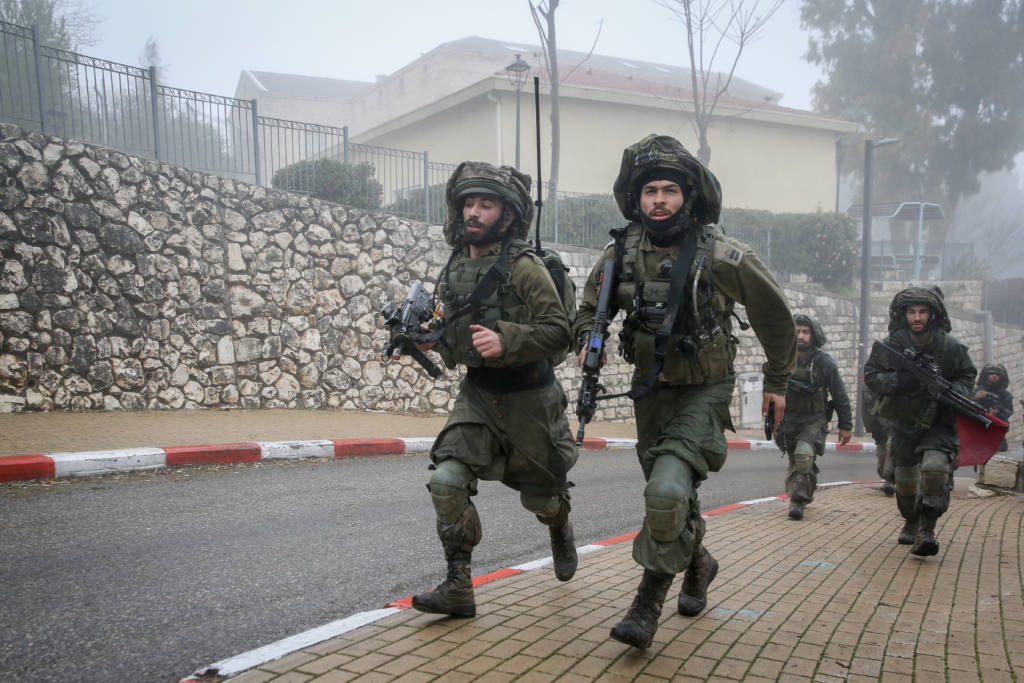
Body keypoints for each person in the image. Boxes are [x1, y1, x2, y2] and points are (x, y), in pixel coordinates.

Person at [572, 134, 796, 649]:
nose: (658, 200)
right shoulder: (620, 252)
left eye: (669, 190)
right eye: (649, 189)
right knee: (669, 500)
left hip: (705, 391)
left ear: (688, 196)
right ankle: (700, 563)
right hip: (649, 393)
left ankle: (646, 605)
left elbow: (775, 318)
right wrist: (591, 339)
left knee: (668, 492)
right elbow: (588, 309)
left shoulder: (722, 255)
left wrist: (779, 382)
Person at [410, 161, 579, 618]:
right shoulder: (455, 266)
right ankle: (458, 586)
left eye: (485, 204)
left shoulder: (525, 268)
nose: (473, 212)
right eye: (468, 202)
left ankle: (559, 522)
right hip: (479, 395)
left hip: (530, 400)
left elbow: (559, 332)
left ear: (506, 215)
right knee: (445, 482)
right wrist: (427, 339)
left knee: (540, 500)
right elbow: (451, 330)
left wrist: (509, 339)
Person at [863, 285, 976, 557]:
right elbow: (871, 376)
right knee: (904, 482)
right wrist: (900, 380)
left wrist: (951, 391)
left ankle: (927, 528)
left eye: (923, 311)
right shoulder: (890, 347)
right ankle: (911, 520)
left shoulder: (952, 348)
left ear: (933, 314)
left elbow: (967, 377)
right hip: (903, 423)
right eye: (912, 312)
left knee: (936, 470)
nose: (917, 317)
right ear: (903, 315)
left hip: (940, 422)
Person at [774, 314, 852, 520]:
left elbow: (840, 395)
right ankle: (800, 487)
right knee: (795, 460)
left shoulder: (825, 363)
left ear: (813, 335)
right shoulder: (782, 359)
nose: (801, 336)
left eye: (805, 332)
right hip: (787, 421)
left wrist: (846, 425)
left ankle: (798, 501)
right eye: (797, 331)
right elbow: (771, 389)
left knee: (804, 456)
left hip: (814, 420)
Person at [862, 379, 895, 496]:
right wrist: (871, 428)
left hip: (896, 425)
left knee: (891, 448)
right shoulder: (869, 384)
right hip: (880, 427)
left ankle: (891, 481)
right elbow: (865, 410)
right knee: (881, 460)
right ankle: (888, 479)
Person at [973, 363, 1013, 452]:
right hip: (979, 428)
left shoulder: (1005, 395)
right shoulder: (978, 391)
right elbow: (969, 406)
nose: (994, 376)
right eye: (991, 373)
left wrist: (997, 413)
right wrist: (976, 399)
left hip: (997, 429)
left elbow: (1009, 411)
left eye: (997, 374)